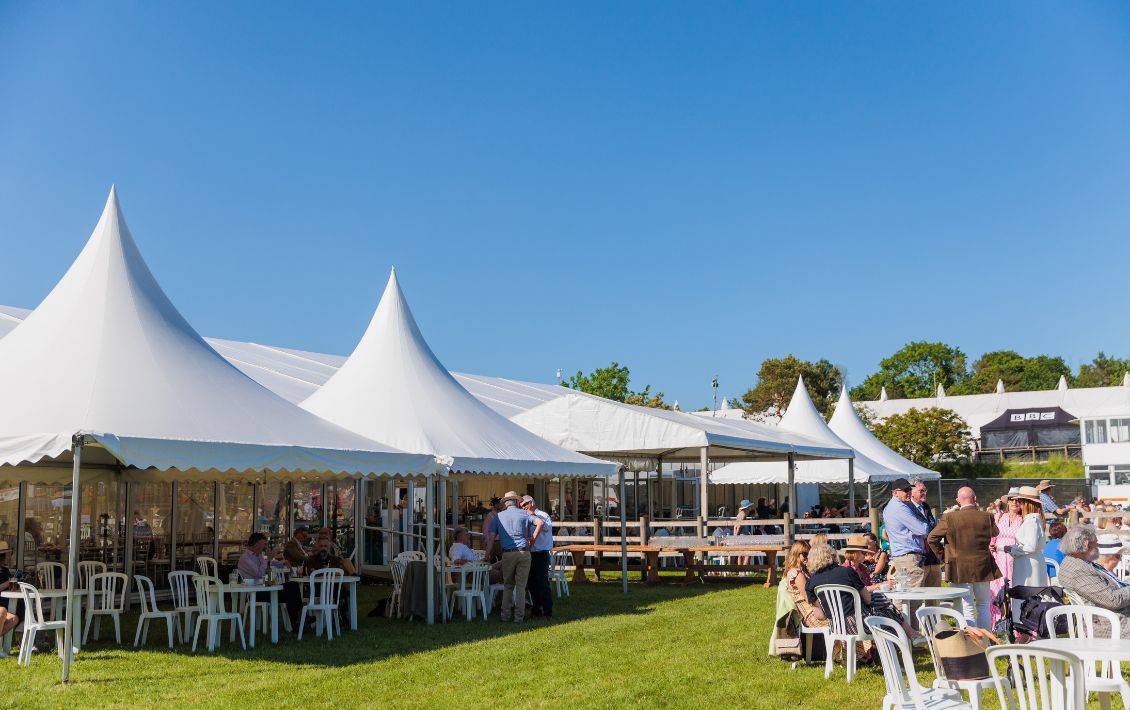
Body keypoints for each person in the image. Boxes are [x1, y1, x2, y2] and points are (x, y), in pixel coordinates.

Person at [803, 542, 921, 643]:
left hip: (836, 627)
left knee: (884, 607)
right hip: (860, 624)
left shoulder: (811, 583)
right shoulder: (847, 572)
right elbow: (868, 600)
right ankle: (907, 642)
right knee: (885, 608)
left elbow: (820, 616)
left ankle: (911, 635)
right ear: (832, 555)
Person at [927, 486, 1000, 629]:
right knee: (984, 605)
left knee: (967, 606)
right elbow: (995, 533)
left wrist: (944, 557)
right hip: (982, 566)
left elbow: (931, 538)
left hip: (958, 567)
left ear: (958, 501)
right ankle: (985, 639)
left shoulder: (949, 517)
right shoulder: (986, 516)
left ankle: (970, 641)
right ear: (975, 499)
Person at [1056, 525, 1130, 636]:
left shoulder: (1080, 562)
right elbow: (1113, 600)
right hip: (1110, 622)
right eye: (1096, 542)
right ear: (1086, 544)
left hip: (1111, 615)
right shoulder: (1077, 569)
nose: (1098, 546)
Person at [238, 532, 304, 631]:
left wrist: (283, 563)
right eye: (264, 544)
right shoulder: (245, 558)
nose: (265, 546)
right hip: (255, 592)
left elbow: (270, 563)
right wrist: (268, 559)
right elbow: (260, 573)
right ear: (256, 544)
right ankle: (299, 619)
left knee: (292, 586)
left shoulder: (258, 556)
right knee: (291, 590)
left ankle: (298, 620)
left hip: (265, 588)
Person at [487, 491, 534, 623]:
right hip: (524, 552)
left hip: (507, 553)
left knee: (508, 585)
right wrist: (533, 537)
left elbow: (491, 539)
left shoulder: (498, 516)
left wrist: (487, 554)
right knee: (520, 586)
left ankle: (505, 616)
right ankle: (519, 617)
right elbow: (539, 522)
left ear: (505, 503)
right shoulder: (524, 514)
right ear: (516, 502)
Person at [882, 478, 929, 594]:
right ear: (895, 493)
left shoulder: (894, 506)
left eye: (909, 489)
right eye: (905, 490)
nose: (908, 492)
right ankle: (906, 613)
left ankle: (899, 613)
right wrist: (918, 527)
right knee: (913, 597)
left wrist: (915, 529)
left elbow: (918, 530)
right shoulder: (900, 508)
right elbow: (922, 530)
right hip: (908, 558)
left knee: (903, 594)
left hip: (903, 557)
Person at [989, 488, 1023, 625]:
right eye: (1012, 499)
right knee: (996, 593)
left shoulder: (1023, 519)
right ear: (1008, 502)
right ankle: (996, 623)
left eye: (1017, 500)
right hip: (999, 559)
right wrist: (991, 547)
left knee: (1014, 593)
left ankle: (1015, 625)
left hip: (1015, 560)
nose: (1014, 502)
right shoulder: (999, 517)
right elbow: (992, 537)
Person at [1004, 487, 1050, 588]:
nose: (1018, 503)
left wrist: (1010, 549)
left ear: (1026, 503)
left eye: (1020, 501)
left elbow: (1030, 547)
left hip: (1027, 565)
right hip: (1030, 562)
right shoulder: (1033, 519)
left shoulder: (1031, 521)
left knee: (1026, 597)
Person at [521, 495, 554, 619]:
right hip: (529, 553)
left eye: (525, 504)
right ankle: (536, 610)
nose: (523, 507)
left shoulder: (543, 515)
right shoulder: (525, 517)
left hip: (540, 553)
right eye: (522, 506)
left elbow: (546, 527)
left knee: (542, 583)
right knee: (531, 583)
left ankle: (547, 611)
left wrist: (533, 517)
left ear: (532, 503)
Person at [909, 477, 941, 587]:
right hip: (919, 557)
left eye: (925, 490)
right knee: (919, 594)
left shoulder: (926, 506)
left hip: (932, 557)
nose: (924, 493)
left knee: (935, 594)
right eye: (921, 491)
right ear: (911, 492)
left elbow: (932, 528)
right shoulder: (906, 508)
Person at [0, 565, 23, 640]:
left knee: (14, 618)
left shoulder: (5, 570)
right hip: (3, 601)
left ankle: (22, 629)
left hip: (6, 598)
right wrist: (7, 583)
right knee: (2, 611)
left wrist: (16, 582)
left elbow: (11, 584)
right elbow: (8, 583)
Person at [482, 496, 503, 563]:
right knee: (493, 561)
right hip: (494, 542)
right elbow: (485, 529)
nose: (501, 505)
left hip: (500, 542)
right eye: (500, 504)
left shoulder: (500, 514)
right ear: (496, 504)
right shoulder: (490, 515)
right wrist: (489, 541)